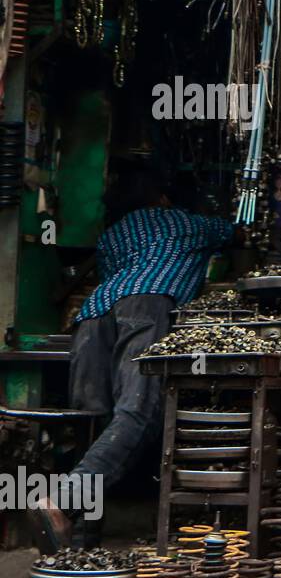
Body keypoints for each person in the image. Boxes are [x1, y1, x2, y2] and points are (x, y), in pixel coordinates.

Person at [28, 166, 233, 552]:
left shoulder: (111, 235)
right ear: (163, 198)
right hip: (148, 304)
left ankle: (80, 546)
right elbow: (233, 232)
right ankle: (61, 503)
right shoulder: (185, 222)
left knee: (92, 422)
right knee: (137, 412)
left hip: (92, 316)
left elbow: (113, 279)